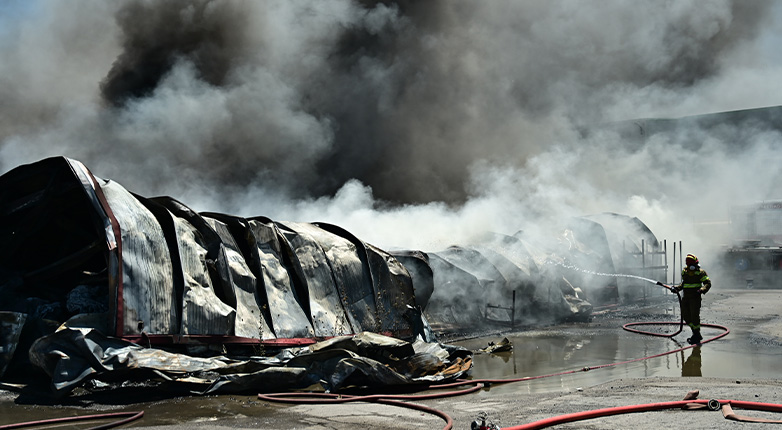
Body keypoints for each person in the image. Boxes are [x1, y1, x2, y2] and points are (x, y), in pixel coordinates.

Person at [675, 254, 712, 344]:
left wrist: (702, 290)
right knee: (686, 316)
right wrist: (676, 288)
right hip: (686, 297)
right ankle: (695, 333)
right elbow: (684, 284)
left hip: (695, 298)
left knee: (694, 316)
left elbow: (708, 283)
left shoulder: (700, 272)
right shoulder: (685, 272)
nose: (692, 267)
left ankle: (696, 334)